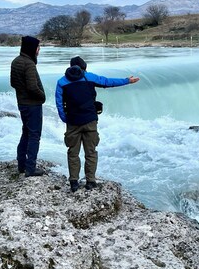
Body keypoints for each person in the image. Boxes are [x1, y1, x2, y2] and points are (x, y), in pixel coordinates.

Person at [55, 56, 139, 192]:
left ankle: (74, 183)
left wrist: (65, 118)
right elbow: (107, 82)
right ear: (84, 68)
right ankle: (90, 181)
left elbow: (59, 103)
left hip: (73, 122)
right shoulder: (89, 77)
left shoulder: (61, 82)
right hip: (90, 121)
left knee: (73, 153)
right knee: (91, 152)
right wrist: (127, 81)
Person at [10, 36, 46, 177]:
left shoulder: (16, 61)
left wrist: (22, 92)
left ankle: (21, 165)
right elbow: (32, 87)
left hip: (22, 103)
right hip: (33, 105)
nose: (39, 50)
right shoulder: (29, 64)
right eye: (38, 47)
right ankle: (30, 168)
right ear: (32, 48)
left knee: (26, 133)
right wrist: (42, 96)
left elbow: (13, 83)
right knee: (34, 136)